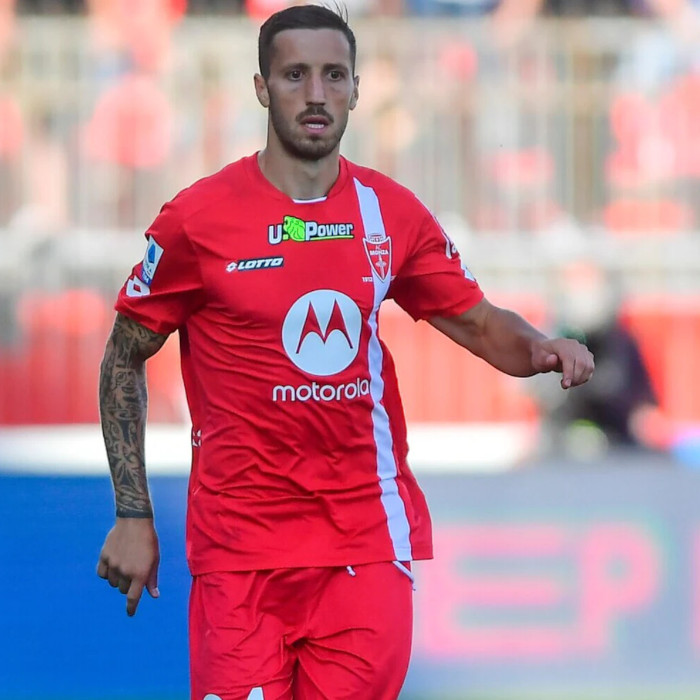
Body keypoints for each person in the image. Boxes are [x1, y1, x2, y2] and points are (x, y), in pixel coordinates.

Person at [96, 6, 594, 699]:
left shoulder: (389, 212)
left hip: (364, 542)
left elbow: (479, 323)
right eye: (295, 75)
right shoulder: (198, 220)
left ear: (357, 89)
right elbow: (123, 356)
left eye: (334, 75)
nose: (316, 94)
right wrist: (132, 513)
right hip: (239, 554)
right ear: (262, 88)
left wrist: (539, 346)